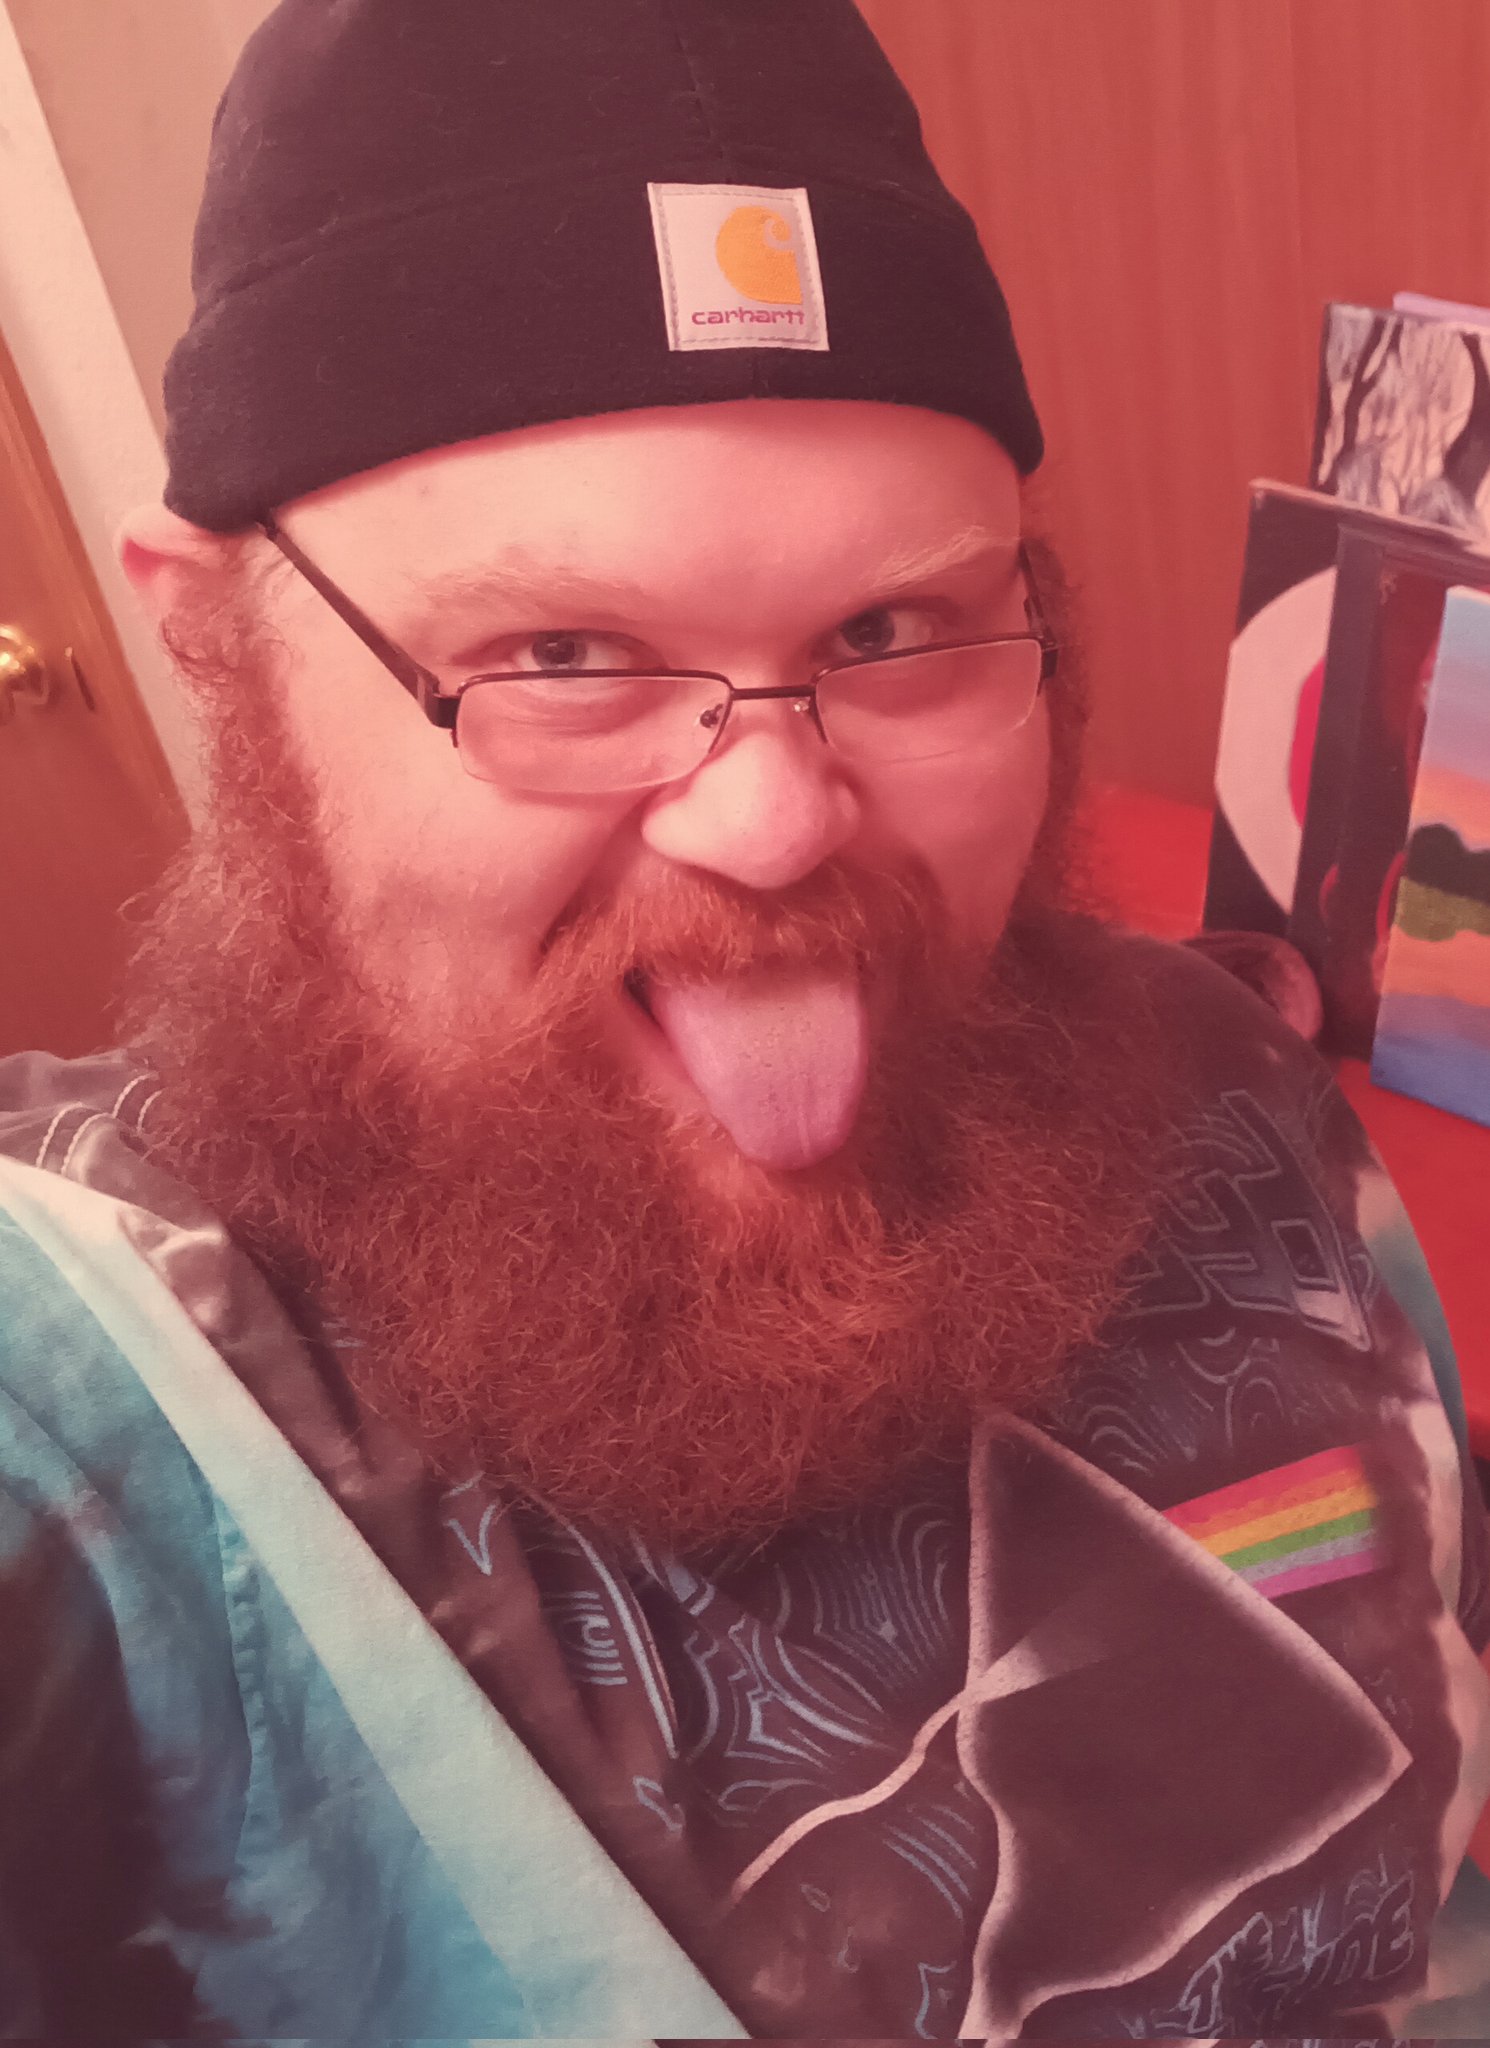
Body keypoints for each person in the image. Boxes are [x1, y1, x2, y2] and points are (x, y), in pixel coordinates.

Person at [2, 0, 1488, 2037]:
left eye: (890, 628)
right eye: (559, 653)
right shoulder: (81, 1403)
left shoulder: (1225, 1094)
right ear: (214, 644)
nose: (774, 823)